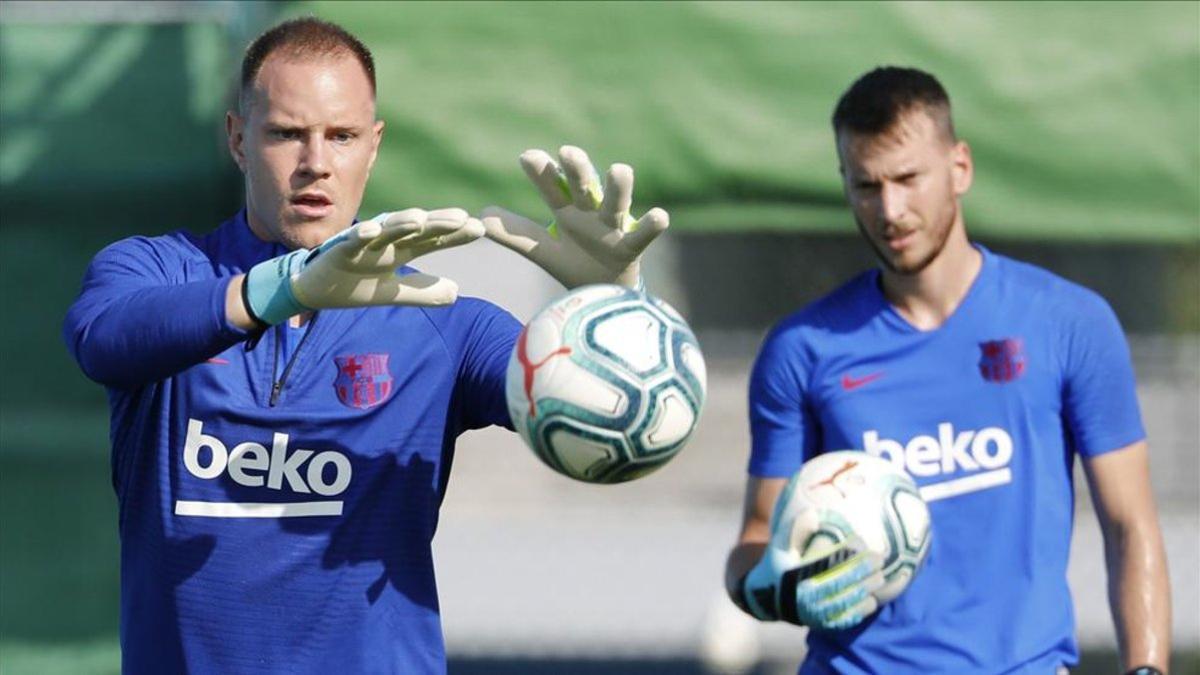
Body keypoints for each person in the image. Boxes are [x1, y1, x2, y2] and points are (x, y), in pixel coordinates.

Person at [63, 17, 666, 674]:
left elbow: (615, 428)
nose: (316, 162)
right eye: (287, 133)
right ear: (238, 139)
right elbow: (102, 340)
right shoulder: (157, 271)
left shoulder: (441, 321)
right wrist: (280, 289)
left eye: (341, 135)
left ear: (373, 147)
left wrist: (615, 313)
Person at [723, 67, 1172, 674]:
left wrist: (1146, 669)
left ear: (960, 167)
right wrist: (772, 586)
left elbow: (1130, 526)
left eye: (909, 178)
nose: (890, 209)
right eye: (866, 185)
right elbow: (753, 544)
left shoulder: (1068, 322)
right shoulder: (802, 349)